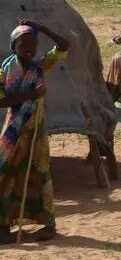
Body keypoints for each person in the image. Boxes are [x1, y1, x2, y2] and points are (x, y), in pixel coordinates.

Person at [0, 21, 70, 244]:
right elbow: (2, 101)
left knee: (39, 173)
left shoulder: (39, 67)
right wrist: (30, 95)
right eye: (24, 43)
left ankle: (47, 225)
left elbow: (64, 46)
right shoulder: (4, 70)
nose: (30, 48)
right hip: (13, 130)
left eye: (34, 43)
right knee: (5, 173)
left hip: (35, 130)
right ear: (14, 46)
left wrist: (42, 27)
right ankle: (4, 225)